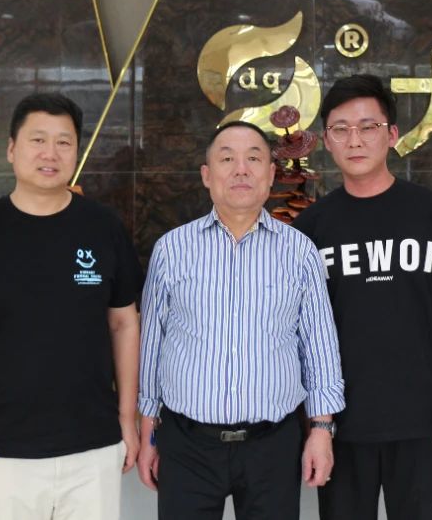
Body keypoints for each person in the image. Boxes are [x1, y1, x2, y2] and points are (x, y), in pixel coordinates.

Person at [292, 74, 432, 520]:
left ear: (392, 134)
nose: (355, 140)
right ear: (327, 140)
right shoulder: (311, 229)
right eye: (341, 129)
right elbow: (301, 331)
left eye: (368, 127)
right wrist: (317, 422)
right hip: (342, 423)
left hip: (424, 420)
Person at [0, 93, 142, 520]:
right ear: (11, 149)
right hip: (1, 451)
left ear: (76, 152)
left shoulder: (104, 228)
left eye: (63, 142)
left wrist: (128, 418)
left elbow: (125, 324)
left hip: (93, 447)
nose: (50, 153)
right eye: (37, 140)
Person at [136, 120, 345, 520]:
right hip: (187, 445)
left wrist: (322, 430)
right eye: (227, 159)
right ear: (207, 174)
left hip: (272, 445)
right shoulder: (172, 250)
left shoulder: (299, 252)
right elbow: (152, 347)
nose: (241, 170)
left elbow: (319, 347)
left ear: (271, 174)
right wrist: (148, 433)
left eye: (253, 158)